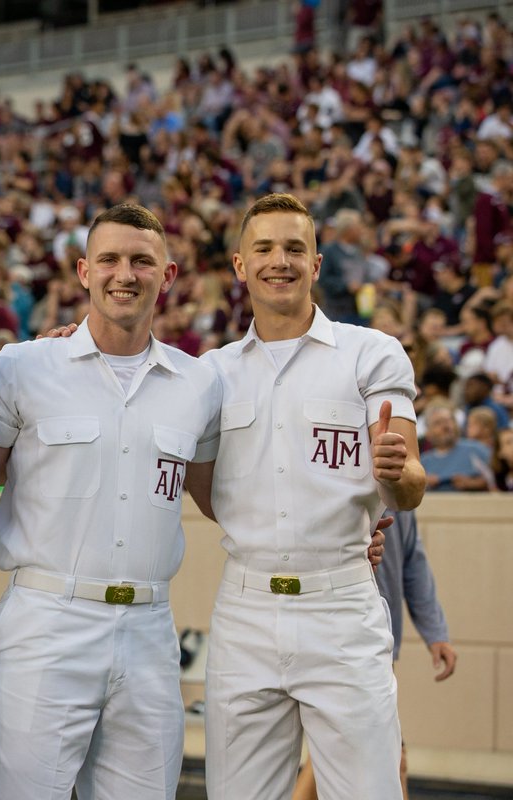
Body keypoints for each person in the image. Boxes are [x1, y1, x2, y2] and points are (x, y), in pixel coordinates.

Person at [0, 204, 222, 799]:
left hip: (150, 629)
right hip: (44, 623)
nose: (124, 274)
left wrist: (344, 535)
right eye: (108, 259)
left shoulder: (201, 384)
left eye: (142, 261)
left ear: (169, 274)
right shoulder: (22, 368)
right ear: (83, 271)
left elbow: (225, 502)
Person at [189, 193, 426, 800]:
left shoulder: (372, 352)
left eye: (295, 248)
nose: (280, 261)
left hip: (341, 606)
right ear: (239, 266)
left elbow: (410, 486)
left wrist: (395, 474)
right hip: (243, 611)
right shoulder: (209, 373)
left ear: (317, 263)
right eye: (263, 248)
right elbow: (206, 490)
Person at [292, 508, 457, 800]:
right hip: (328, 633)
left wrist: (436, 634)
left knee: (381, 756)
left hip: (377, 645)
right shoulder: (332, 480)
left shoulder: (401, 492)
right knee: (352, 752)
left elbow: (413, 563)